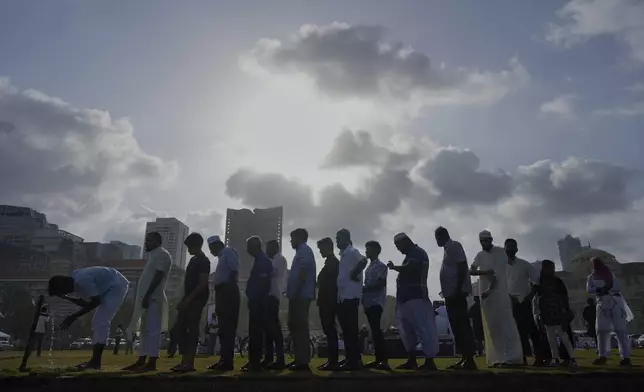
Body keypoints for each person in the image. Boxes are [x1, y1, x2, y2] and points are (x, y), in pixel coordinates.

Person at [49, 266, 129, 370]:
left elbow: (95, 302)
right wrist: (67, 298)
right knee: (98, 321)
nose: (66, 293)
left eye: (63, 291)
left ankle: (95, 362)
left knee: (101, 320)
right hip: (109, 287)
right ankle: (94, 361)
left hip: (117, 285)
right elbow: (86, 303)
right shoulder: (78, 284)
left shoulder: (82, 280)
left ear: (65, 285)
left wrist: (73, 316)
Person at [470, 230, 523, 368]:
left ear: (491, 240)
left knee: (505, 325)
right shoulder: (480, 255)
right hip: (486, 297)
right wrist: (485, 272)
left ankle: (511, 358)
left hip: (499, 294)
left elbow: (498, 275)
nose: (484, 243)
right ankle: (498, 358)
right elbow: (471, 270)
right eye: (482, 241)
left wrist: (490, 288)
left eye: (486, 240)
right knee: (492, 327)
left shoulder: (500, 252)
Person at [387, 232, 438, 371]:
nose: (398, 249)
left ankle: (429, 361)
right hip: (405, 299)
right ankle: (412, 360)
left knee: (422, 329)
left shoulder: (417, 253)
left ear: (405, 241)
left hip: (416, 297)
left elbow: (410, 268)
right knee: (407, 331)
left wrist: (394, 267)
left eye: (398, 245)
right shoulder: (410, 255)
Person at [123, 231, 173, 371]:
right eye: (146, 240)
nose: (146, 243)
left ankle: (152, 362)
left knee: (152, 329)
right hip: (145, 299)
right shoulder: (153, 255)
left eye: (150, 241)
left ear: (158, 242)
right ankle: (141, 359)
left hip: (153, 298)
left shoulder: (162, 254)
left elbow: (158, 276)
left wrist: (147, 295)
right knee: (144, 330)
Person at [435, 227, 477, 370]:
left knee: (462, 325)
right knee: (456, 327)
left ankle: (470, 359)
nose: (436, 241)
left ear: (444, 236)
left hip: (456, 294)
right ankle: (464, 358)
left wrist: (458, 289)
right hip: (449, 294)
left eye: (437, 237)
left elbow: (462, 266)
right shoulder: (446, 250)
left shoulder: (454, 246)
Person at [172, 233, 210, 373]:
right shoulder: (193, 260)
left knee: (191, 330)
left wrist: (189, 299)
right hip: (188, 298)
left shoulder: (203, 261)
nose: (188, 250)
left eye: (189, 247)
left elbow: (202, 284)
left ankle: (189, 363)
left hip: (197, 299)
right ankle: (183, 361)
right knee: (181, 328)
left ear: (196, 246)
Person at [587, 257, 633, 366]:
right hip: (602, 304)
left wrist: (606, 288)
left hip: (614, 303)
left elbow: (616, 287)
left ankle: (625, 356)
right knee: (602, 331)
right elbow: (589, 289)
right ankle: (603, 355)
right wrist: (599, 290)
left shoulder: (610, 274)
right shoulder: (591, 277)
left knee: (620, 330)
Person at [504, 238, 543, 365]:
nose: (510, 249)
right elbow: (499, 284)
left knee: (531, 329)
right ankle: (521, 358)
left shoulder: (524, 264)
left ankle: (539, 357)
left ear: (516, 249)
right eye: (508, 247)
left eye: (512, 247)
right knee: (515, 332)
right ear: (504, 249)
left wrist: (530, 296)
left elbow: (537, 280)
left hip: (524, 302)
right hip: (509, 302)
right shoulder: (501, 266)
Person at [535, 260, 577, 367]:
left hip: (559, 314)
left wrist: (565, 313)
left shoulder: (557, 281)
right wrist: (539, 316)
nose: (552, 270)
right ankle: (555, 358)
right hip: (546, 314)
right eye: (550, 268)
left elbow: (564, 299)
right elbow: (537, 300)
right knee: (550, 339)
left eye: (553, 268)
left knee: (564, 337)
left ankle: (570, 358)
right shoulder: (539, 282)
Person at [206, 235, 240, 372]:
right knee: (223, 329)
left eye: (211, 248)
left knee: (228, 328)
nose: (210, 251)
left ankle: (227, 361)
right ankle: (223, 359)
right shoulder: (221, 257)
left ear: (215, 245)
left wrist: (228, 291)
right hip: (222, 292)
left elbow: (234, 271)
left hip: (228, 291)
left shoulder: (228, 252)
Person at [335, 229, 367, 371]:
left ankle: (355, 361)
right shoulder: (343, 254)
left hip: (351, 296)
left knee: (351, 330)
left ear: (346, 239)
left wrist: (355, 273)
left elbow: (363, 260)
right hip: (342, 296)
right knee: (346, 331)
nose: (336, 241)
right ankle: (350, 358)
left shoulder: (352, 252)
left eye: (339, 238)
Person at [286, 228, 317, 371]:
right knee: (295, 326)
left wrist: (296, 291)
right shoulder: (301, 252)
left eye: (292, 238)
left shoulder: (304, 250)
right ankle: (299, 359)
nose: (291, 241)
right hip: (298, 295)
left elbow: (303, 273)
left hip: (301, 295)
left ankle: (302, 362)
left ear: (299, 238)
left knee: (300, 327)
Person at [242, 236, 273, 372]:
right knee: (255, 332)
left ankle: (255, 362)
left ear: (254, 246)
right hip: (257, 302)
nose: (247, 249)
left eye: (248, 246)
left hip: (259, 303)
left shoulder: (262, 261)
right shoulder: (260, 260)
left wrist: (254, 298)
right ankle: (254, 360)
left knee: (256, 332)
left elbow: (262, 284)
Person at [362, 240, 389, 370]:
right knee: (373, 331)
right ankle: (378, 359)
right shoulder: (369, 267)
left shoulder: (381, 266)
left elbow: (380, 283)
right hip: (368, 303)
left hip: (375, 302)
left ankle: (383, 360)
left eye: (369, 249)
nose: (366, 251)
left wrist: (365, 289)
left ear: (376, 251)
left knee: (377, 331)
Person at [316, 237, 340, 371]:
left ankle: (333, 360)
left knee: (330, 330)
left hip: (328, 301)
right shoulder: (331, 263)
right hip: (327, 300)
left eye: (321, 248)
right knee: (329, 330)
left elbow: (326, 283)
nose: (320, 251)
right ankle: (332, 360)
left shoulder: (332, 263)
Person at [263, 239, 288, 369]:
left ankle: (280, 359)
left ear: (274, 248)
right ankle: (268, 358)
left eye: (268, 248)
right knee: (267, 329)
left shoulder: (280, 260)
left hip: (274, 295)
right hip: (268, 296)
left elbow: (273, 273)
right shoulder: (272, 260)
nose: (266, 251)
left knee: (274, 328)